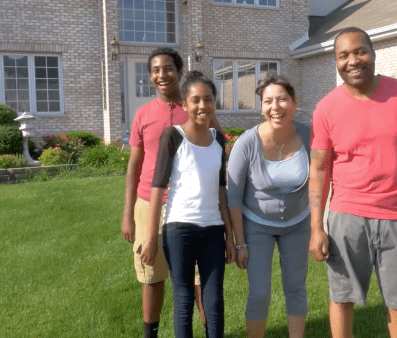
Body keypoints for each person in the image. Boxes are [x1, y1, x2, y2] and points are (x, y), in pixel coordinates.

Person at [308, 27, 397, 338]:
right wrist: (317, 227)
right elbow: (319, 169)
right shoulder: (326, 108)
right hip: (347, 217)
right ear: (335, 61)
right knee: (342, 298)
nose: (353, 60)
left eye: (360, 51)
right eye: (343, 55)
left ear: (372, 53)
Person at [121, 48, 211, 338]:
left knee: (199, 278)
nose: (162, 75)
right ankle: (151, 334)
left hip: (191, 206)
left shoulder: (195, 108)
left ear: (180, 71)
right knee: (153, 275)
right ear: (150, 76)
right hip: (149, 204)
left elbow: (218, 146)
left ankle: (209, 330)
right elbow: (134, 166)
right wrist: (128, 214)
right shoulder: (143, 114)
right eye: (156, 70)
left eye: (168, 68)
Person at [140, 70, 236, 338]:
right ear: (185, 103)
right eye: (195, 100)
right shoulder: (173, 135)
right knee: (183, 299)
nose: (202, 106)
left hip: (213, 230)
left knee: (214, 299)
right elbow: (157, 189)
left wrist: (230, 236)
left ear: (214, 103)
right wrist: (151, 238)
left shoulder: (218, 140)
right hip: (179, 228)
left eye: (208, 100)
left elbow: (221, 189)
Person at [228, 74, 311, 338]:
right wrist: (240, 243)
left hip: (298, 223)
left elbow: (324, 174)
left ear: (294, 102)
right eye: (268, 101)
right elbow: (233, 197)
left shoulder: (310, 134)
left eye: (282, 99)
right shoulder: (247, 143)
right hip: (257, 226)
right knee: (260, 292)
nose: (275, 107)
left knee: (296, 287)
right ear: (261, 107)